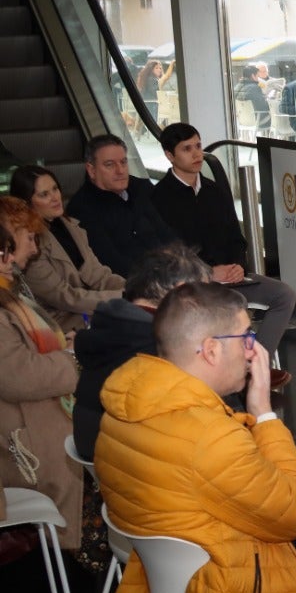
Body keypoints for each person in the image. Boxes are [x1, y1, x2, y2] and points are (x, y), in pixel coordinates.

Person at [98, 282, 296, 593]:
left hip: (167, 591)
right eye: (247, 336)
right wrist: (263, 413)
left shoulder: (122, 409)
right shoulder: (208, 437)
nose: (253, 348)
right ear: (212, 349)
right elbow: (295, 514)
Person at [150, 122, 296, 386]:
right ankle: (235, 371)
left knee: (284, 295)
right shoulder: (159, 198)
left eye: (198, 146)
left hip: (230, 275)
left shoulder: (214, 190)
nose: (196, 154)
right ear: (170, 156)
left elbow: (235, 238)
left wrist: (238, 265)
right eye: (186, 149)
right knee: (235, 302)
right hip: (194, 283)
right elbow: (171, 254)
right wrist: (208, 273)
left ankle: (253, 366)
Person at [72, 245, 210, 462]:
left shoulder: (114, 323)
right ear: (179, 291)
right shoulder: (157, 340)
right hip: (131, 457)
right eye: (202, 294)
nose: (206, 305)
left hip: (95, 444)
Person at [0, 218, 82, 555]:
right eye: (21, 243)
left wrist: (64, 348)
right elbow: (18, 376)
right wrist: (72, 360)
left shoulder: (9, 293)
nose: (17, 257)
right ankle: (77, 555)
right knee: (87, 453)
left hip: (31, 412)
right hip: (20, 434)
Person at [4, 170, 124, 333]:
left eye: (55, 189)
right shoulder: (30, 247)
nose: (55, 197)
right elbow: (65, 298)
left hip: (91, 308)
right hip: (64, 323)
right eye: (44, 194)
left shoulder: (70, 226)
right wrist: (123, 298)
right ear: (27, 203)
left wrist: (133, 289)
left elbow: (98, 274)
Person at [66, 134, 180, 277]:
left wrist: (187, 265)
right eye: (110, 164)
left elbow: (167, 233)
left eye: (123, 162)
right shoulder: (82, 210)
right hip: (136, 285)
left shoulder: (142, 188)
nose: (120, 171)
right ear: (91, 170)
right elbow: (111, 263)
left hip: (174, 272)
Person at [233, 63, 271, 133]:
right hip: (256, 120)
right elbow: (263, 106)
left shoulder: (236, 87)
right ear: (253, 76)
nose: (258, 78)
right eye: (257, 76)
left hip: (242, 120)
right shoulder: (255, 88)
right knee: (274, 118)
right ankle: (268, 141)